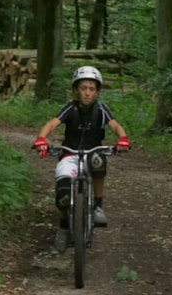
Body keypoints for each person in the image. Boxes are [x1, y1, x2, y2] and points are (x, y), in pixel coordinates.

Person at [32, 65, 130, 252]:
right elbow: (52, 123)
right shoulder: (71, 108)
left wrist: (123, 139)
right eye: (83, 88)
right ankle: (63, 226)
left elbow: (115, 126)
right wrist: (41, 139)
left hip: (93, 152)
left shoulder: (101, 109)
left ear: (97, 91)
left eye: (91, 89)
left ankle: (98, 206)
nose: (87, 93)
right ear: (76, 89)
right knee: (62, 195)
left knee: (99, 160)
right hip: (70, 154)